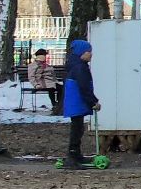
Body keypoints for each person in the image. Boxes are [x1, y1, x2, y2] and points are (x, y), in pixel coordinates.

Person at [62, 38, 100, 168]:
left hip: (74, 100)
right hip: (77, 100)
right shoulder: (80, 67)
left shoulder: (75, 65)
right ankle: (73, 155)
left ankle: (76, 154)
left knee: (77, 127)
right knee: (77, 129)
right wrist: (93, 102)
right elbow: (84, 87)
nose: (91, 54)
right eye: (88, 51)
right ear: (81, 53)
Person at [28, 47, 62, 113]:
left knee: (61, 88)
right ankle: (55, 104)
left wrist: (56, 81)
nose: (45, 57)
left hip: (50, 82)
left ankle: (58, 104)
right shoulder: (34, 65)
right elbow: (31, 77)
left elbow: (52, 75)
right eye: (44, 55)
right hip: (42, 83)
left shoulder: (46, 65)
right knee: (52, 88)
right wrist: (36, 85)